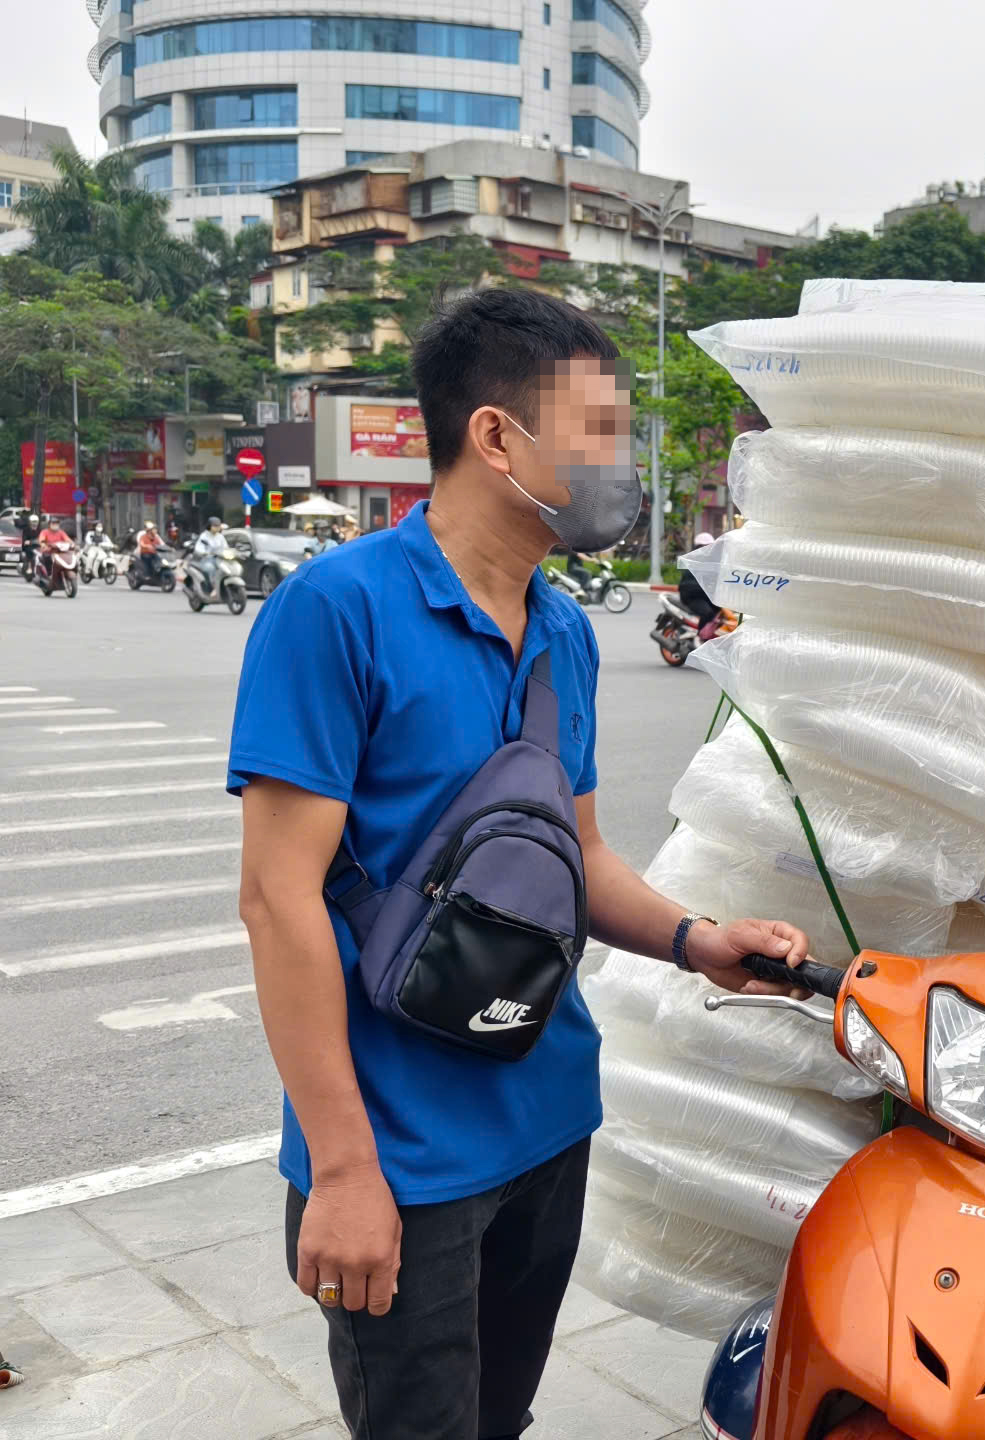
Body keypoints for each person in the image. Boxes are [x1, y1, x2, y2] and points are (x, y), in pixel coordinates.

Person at [229, 288, 817, 1440]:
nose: (623, 463)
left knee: (501, 1418)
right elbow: (277, 898)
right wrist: (343, 1171)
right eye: (600, 430)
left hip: (547, 1117)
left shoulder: (563, 634)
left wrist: (698, 940)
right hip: (401, 1152)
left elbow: (577, 855)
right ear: (497, 436)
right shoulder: (336, 611)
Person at [189, 516, 229, 594]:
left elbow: (225, 547)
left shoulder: (220, 536)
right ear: (209, 526)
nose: (217, 528)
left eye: (218, 526)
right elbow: (199, 548)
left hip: (219, 559)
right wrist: (204, 552)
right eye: (215, 526)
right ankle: (212, 587)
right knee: (210, 568)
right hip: (207, 559)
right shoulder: (204, 536)